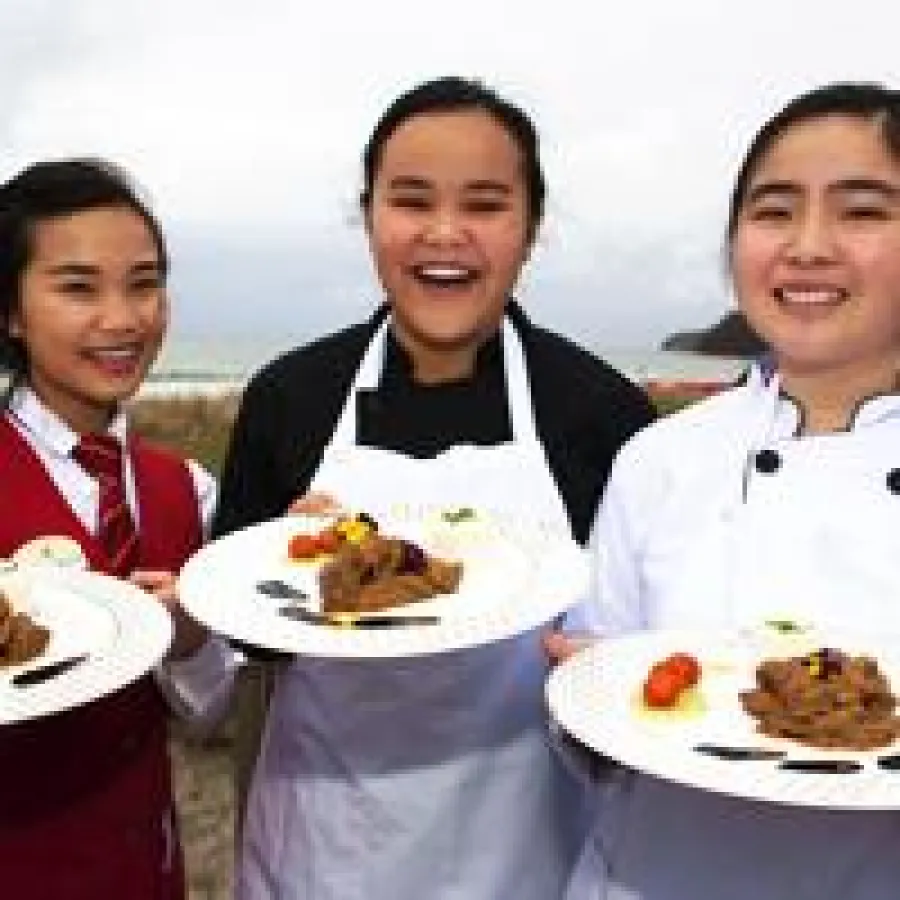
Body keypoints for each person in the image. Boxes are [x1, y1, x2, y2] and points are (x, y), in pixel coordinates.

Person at [211, 76, 655, 899]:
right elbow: (241, 640)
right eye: (411, 201)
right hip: (325, 848)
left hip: (530, 848)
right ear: (369, 215)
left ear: (531, 228)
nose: (444, 234)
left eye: (485, 204)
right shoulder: (291, 398)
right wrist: (291, 572)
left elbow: (634, 652)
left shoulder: (602, 412)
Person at [556, 82, 900, 900]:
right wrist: (591, 691)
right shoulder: (657, 461)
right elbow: (593, 719)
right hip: (652, 873)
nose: (808, 246)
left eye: (862, 211)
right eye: (774, 211)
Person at [0, 158, 234, 899]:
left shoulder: (183, 488)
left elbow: (208, 715)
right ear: (9, 310)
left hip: (147, 868)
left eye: (144, 282)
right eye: (78, 287)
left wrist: (194, 635)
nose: (124, 318)